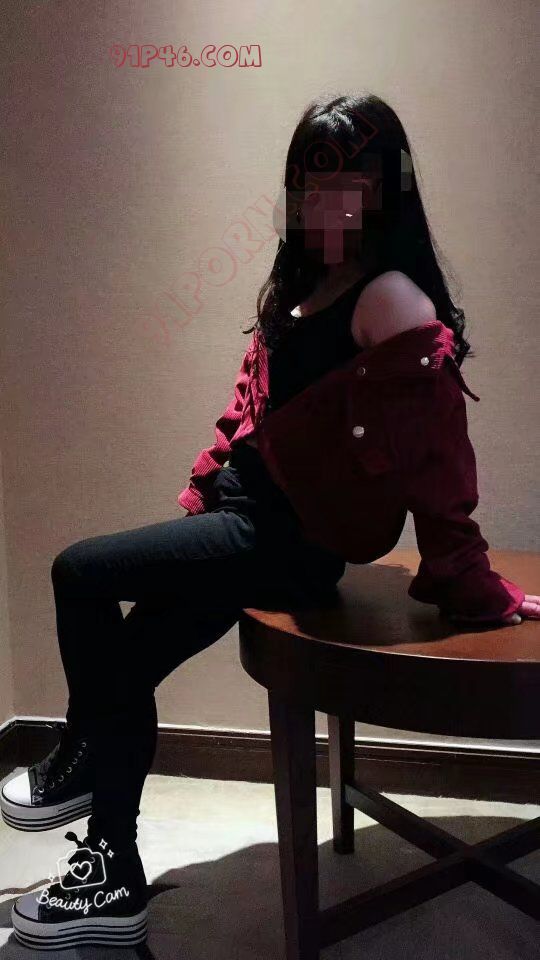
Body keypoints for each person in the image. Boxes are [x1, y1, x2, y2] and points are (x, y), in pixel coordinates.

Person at [4, 93, 538, 951]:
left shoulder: (390, 296)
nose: (328, 197)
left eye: (351, 178)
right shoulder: (306, 287)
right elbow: (248, 420)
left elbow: (437, 455)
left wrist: (466, 578)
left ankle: (79, 756)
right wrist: (200, 505)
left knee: (80, 570)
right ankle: (112, 875)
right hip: (240, 525)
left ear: (387, 188)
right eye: (311, 178)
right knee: (125, 667)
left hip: (280, 544)